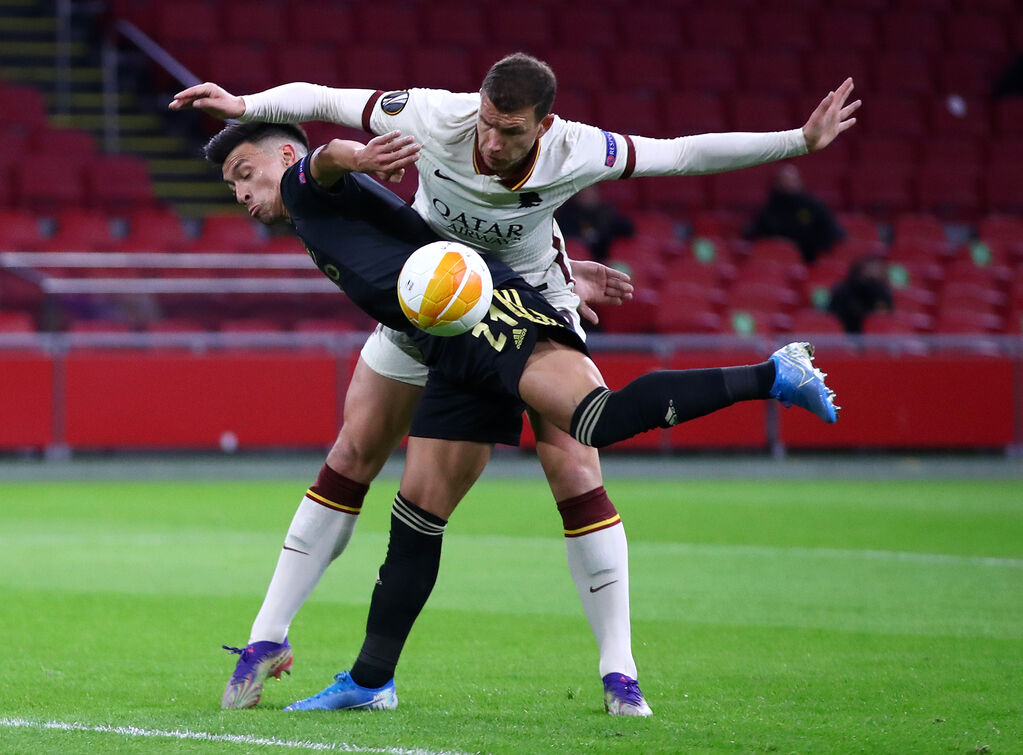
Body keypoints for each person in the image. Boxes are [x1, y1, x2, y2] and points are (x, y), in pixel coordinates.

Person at [170, 53, 859, 716]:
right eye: (487, 123)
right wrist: (247, 105)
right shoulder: (434, 116)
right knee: (411, 502)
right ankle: (365, 676)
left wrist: (797, 141)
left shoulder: (576, 149)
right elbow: (331, 115)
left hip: (502, 304)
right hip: (441, 310)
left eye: (511, 130)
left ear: (543, 125)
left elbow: (679, 153)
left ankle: (623, 661)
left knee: (583, 444)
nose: (493, 140)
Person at [745, 163, 845, 264]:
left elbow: (834, 233)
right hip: (777, 263)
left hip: (809, 262)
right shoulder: (768, 209)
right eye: (784, 180)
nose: (788, 184)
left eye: (792, 180)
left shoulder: (813, 207)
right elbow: (752, 236)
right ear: (776, 183)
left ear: (800, 181)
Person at [556, 185, 635, 262]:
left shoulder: (606, 211)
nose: (588, 196)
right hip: (583, 258)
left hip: (608, 256)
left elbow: (627, 228)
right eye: (584, 193)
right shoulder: (568, 215)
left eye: (591, 191)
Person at [827, 255, 893, 334]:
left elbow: (885, 317)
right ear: (860, 269)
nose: (874, 271)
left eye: (877, 268)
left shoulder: (882, 292)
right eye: (870, 268)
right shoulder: (843, 291)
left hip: (874, 337)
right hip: (845, 333)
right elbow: (833, 317)